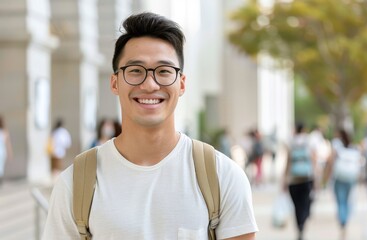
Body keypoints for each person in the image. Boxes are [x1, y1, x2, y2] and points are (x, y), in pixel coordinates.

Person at [43, 12, 258, 240]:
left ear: (181, 83)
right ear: (115, 82)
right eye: (135, 70)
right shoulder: (75, 184)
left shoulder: (222, 176)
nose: (149, 84)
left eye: (164, 71)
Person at [324, 129, 362, 240]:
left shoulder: (336, 145)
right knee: (348, 200)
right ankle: (345, 219)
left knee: (341, 201)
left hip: (339, 177)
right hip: (351, 177)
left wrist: (326, 177)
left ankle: (343, 221)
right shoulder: (353, 147)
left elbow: (331, 161)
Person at [283, 122, 316, 240]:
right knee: (305, 203)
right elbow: (313, 160)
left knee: (297, 205)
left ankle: (300, 225)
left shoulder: (290, 143)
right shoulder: (309, 142)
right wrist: (316, 178)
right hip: (307, 178)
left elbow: (288, 161)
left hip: (294, 180)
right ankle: (303, 221)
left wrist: (284, 179)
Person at [0, 115, 13, 185]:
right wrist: (10, 153)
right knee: (1, 166)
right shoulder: (5, 132)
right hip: (2, 152)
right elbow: (8, 144)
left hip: (2, 151)